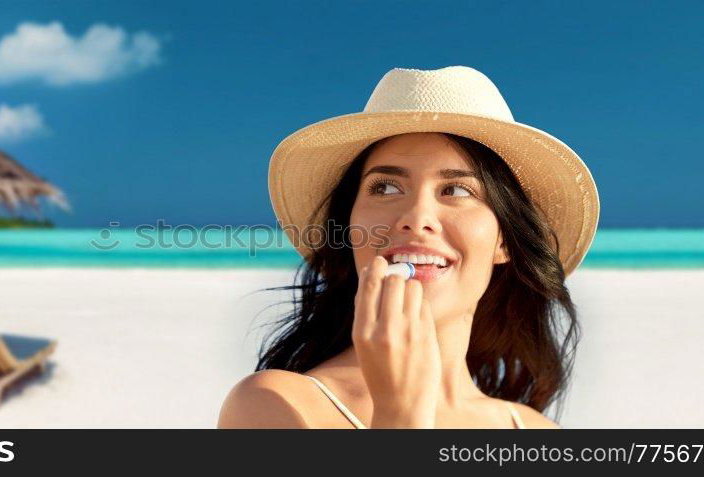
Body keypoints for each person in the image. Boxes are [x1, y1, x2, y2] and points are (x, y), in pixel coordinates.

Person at [218, 66, 599, 428]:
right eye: (385, 188)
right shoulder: (277, 407)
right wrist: (399, 415)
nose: (417, 217)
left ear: (505, 241)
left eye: (456, 190)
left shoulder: (533, 432)